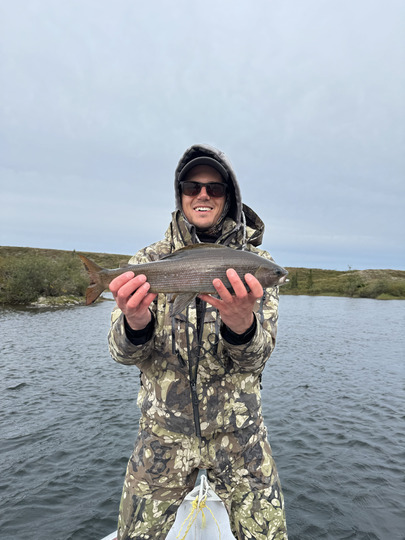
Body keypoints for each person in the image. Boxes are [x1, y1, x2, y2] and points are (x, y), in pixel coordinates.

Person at [108, 143, 288, 540]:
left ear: (230, 195)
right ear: (180, 194)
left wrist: (241, 325)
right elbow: (121, 353)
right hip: (161, 436)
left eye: (214, 187)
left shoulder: (258, 265)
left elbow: (256, 359)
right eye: (192, 186)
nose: (202, 195)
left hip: (240, 435)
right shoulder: (148, 260)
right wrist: (136, 322)